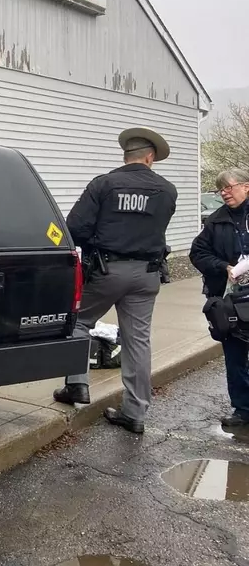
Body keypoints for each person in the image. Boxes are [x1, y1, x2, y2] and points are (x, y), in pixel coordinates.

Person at [52, 127, 178, 434]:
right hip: (147, 274)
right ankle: (134, 413)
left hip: (107, 271)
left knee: (79, 322)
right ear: (150, 157)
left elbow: (75, 227)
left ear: (127, 156)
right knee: (138, 340)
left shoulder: (104, 184)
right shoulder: (168, 190)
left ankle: (77, 386)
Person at [189, 168, 249, 428]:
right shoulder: (215, 221)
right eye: (220, 189)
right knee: (234, 355)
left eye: (229, 187)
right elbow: (198, 254)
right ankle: (243, 409)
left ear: (246, 187)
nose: (225, 193)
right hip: (230, 300)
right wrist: (223, 266)